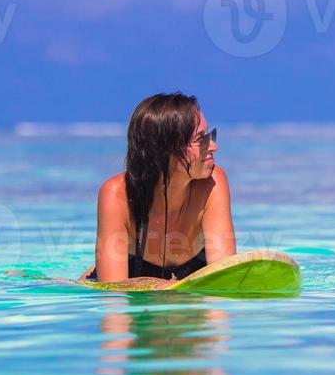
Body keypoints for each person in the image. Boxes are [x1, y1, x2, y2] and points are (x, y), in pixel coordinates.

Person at [83, 92, 234, 289]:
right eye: (200, 139)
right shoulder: (116, 194)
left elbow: (222, 283)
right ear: (164, 149)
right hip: (126, 280)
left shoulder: (213, 182)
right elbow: (113, 296)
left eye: (209, 135)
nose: (213, 146)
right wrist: (160, 286)